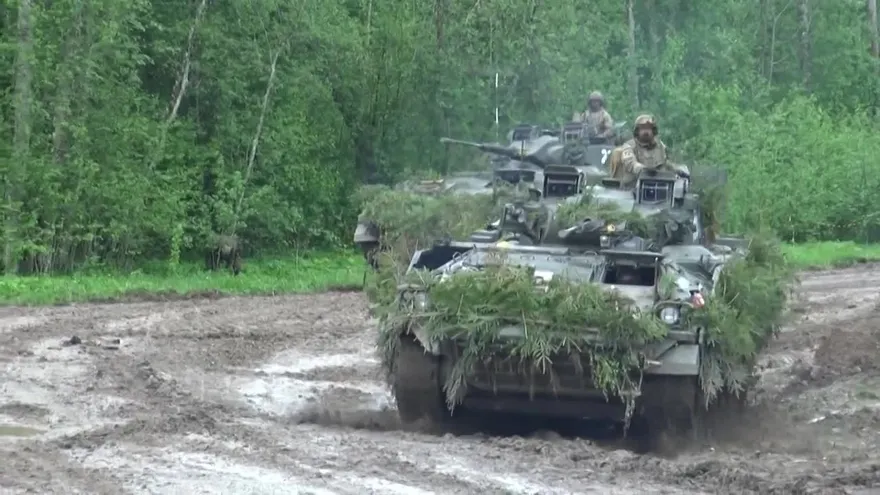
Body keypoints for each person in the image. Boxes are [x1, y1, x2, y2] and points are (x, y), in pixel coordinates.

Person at [616, 114, 687, 187]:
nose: (646, 131)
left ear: (653, 130)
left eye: (648, 128)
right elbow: (631, 163)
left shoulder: (660, 146)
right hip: (632, 186)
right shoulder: (629, 146)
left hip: (657, 184)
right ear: (637, 130)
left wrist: (677, 170)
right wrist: (643, 169)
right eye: (643, 128)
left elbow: (665, 163)